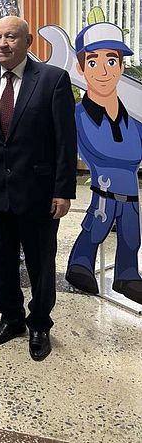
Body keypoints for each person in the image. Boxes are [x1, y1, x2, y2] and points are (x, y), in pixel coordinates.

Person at [0, 16, 77, 361]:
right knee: (1, 261)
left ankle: (40, 324)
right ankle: (11, 318)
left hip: (39, 192)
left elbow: (65, 141)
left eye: (11, 37)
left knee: (40, 263)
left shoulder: (52, 79)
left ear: (28, 42)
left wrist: (63, 190)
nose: (2, 44)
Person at [66, 22, 142, 305]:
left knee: (131, 236)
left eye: (111, 61)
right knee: (95, 228)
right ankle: (80, 265)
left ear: (121, 67)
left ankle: (127, 275)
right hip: (103, 193)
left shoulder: (135, 121)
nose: (103, 71)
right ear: (80, 68)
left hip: (131, 195)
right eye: (93, 62)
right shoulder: (75, 117)